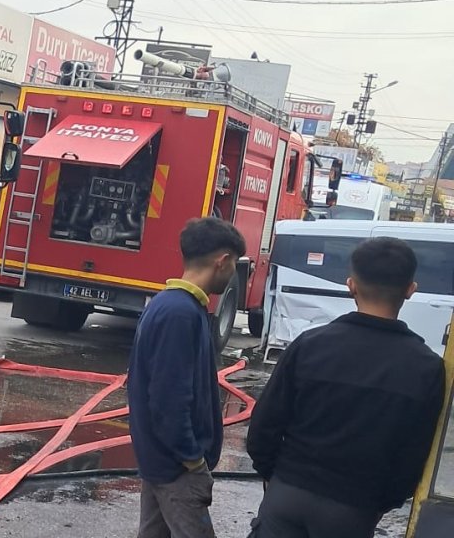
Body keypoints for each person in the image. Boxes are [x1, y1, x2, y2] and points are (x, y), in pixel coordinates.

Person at [246, 237, 445, 538]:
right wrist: (383, 502)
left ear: (351, 285)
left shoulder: (309, 345)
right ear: (410, 290)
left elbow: (264, 425)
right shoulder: (426, 368)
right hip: (354, 508)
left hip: (288, 494)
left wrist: (273, 476)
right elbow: (413, 454)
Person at [128, 217, 247, 538]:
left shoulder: (170, 305)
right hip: (176, 467)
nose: (234, 272)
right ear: (222, 261)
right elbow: (169, 399)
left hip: (161, 461)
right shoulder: (180, 313)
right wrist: (193, 459)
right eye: (235, 263)